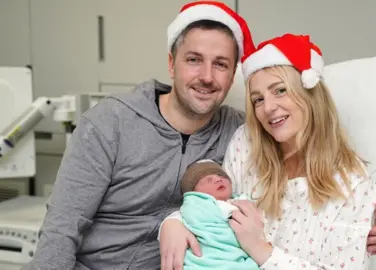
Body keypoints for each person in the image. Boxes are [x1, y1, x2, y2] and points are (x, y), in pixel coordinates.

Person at [25, 2, 255, 269]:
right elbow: (62, 228)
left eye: (221, 64)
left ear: (232, 76)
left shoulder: (237, 133)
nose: (206, 76)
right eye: (193, 60)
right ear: (172, 64)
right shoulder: (109, 122)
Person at [160, 33, 376, 269]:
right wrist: (173, 223)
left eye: (280, 90)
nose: (268, 108)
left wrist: (262, 250)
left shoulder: (354, 186)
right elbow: (215, 203)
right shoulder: (246, 144)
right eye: (258, 99)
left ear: (309, 92)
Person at [178, 159, 259, 269]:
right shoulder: (197, 206)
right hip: (207, 260)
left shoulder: (238, 201)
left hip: (234, 259)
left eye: (221, 177)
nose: (217, 179)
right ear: (194, 192)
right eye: (208, 180)